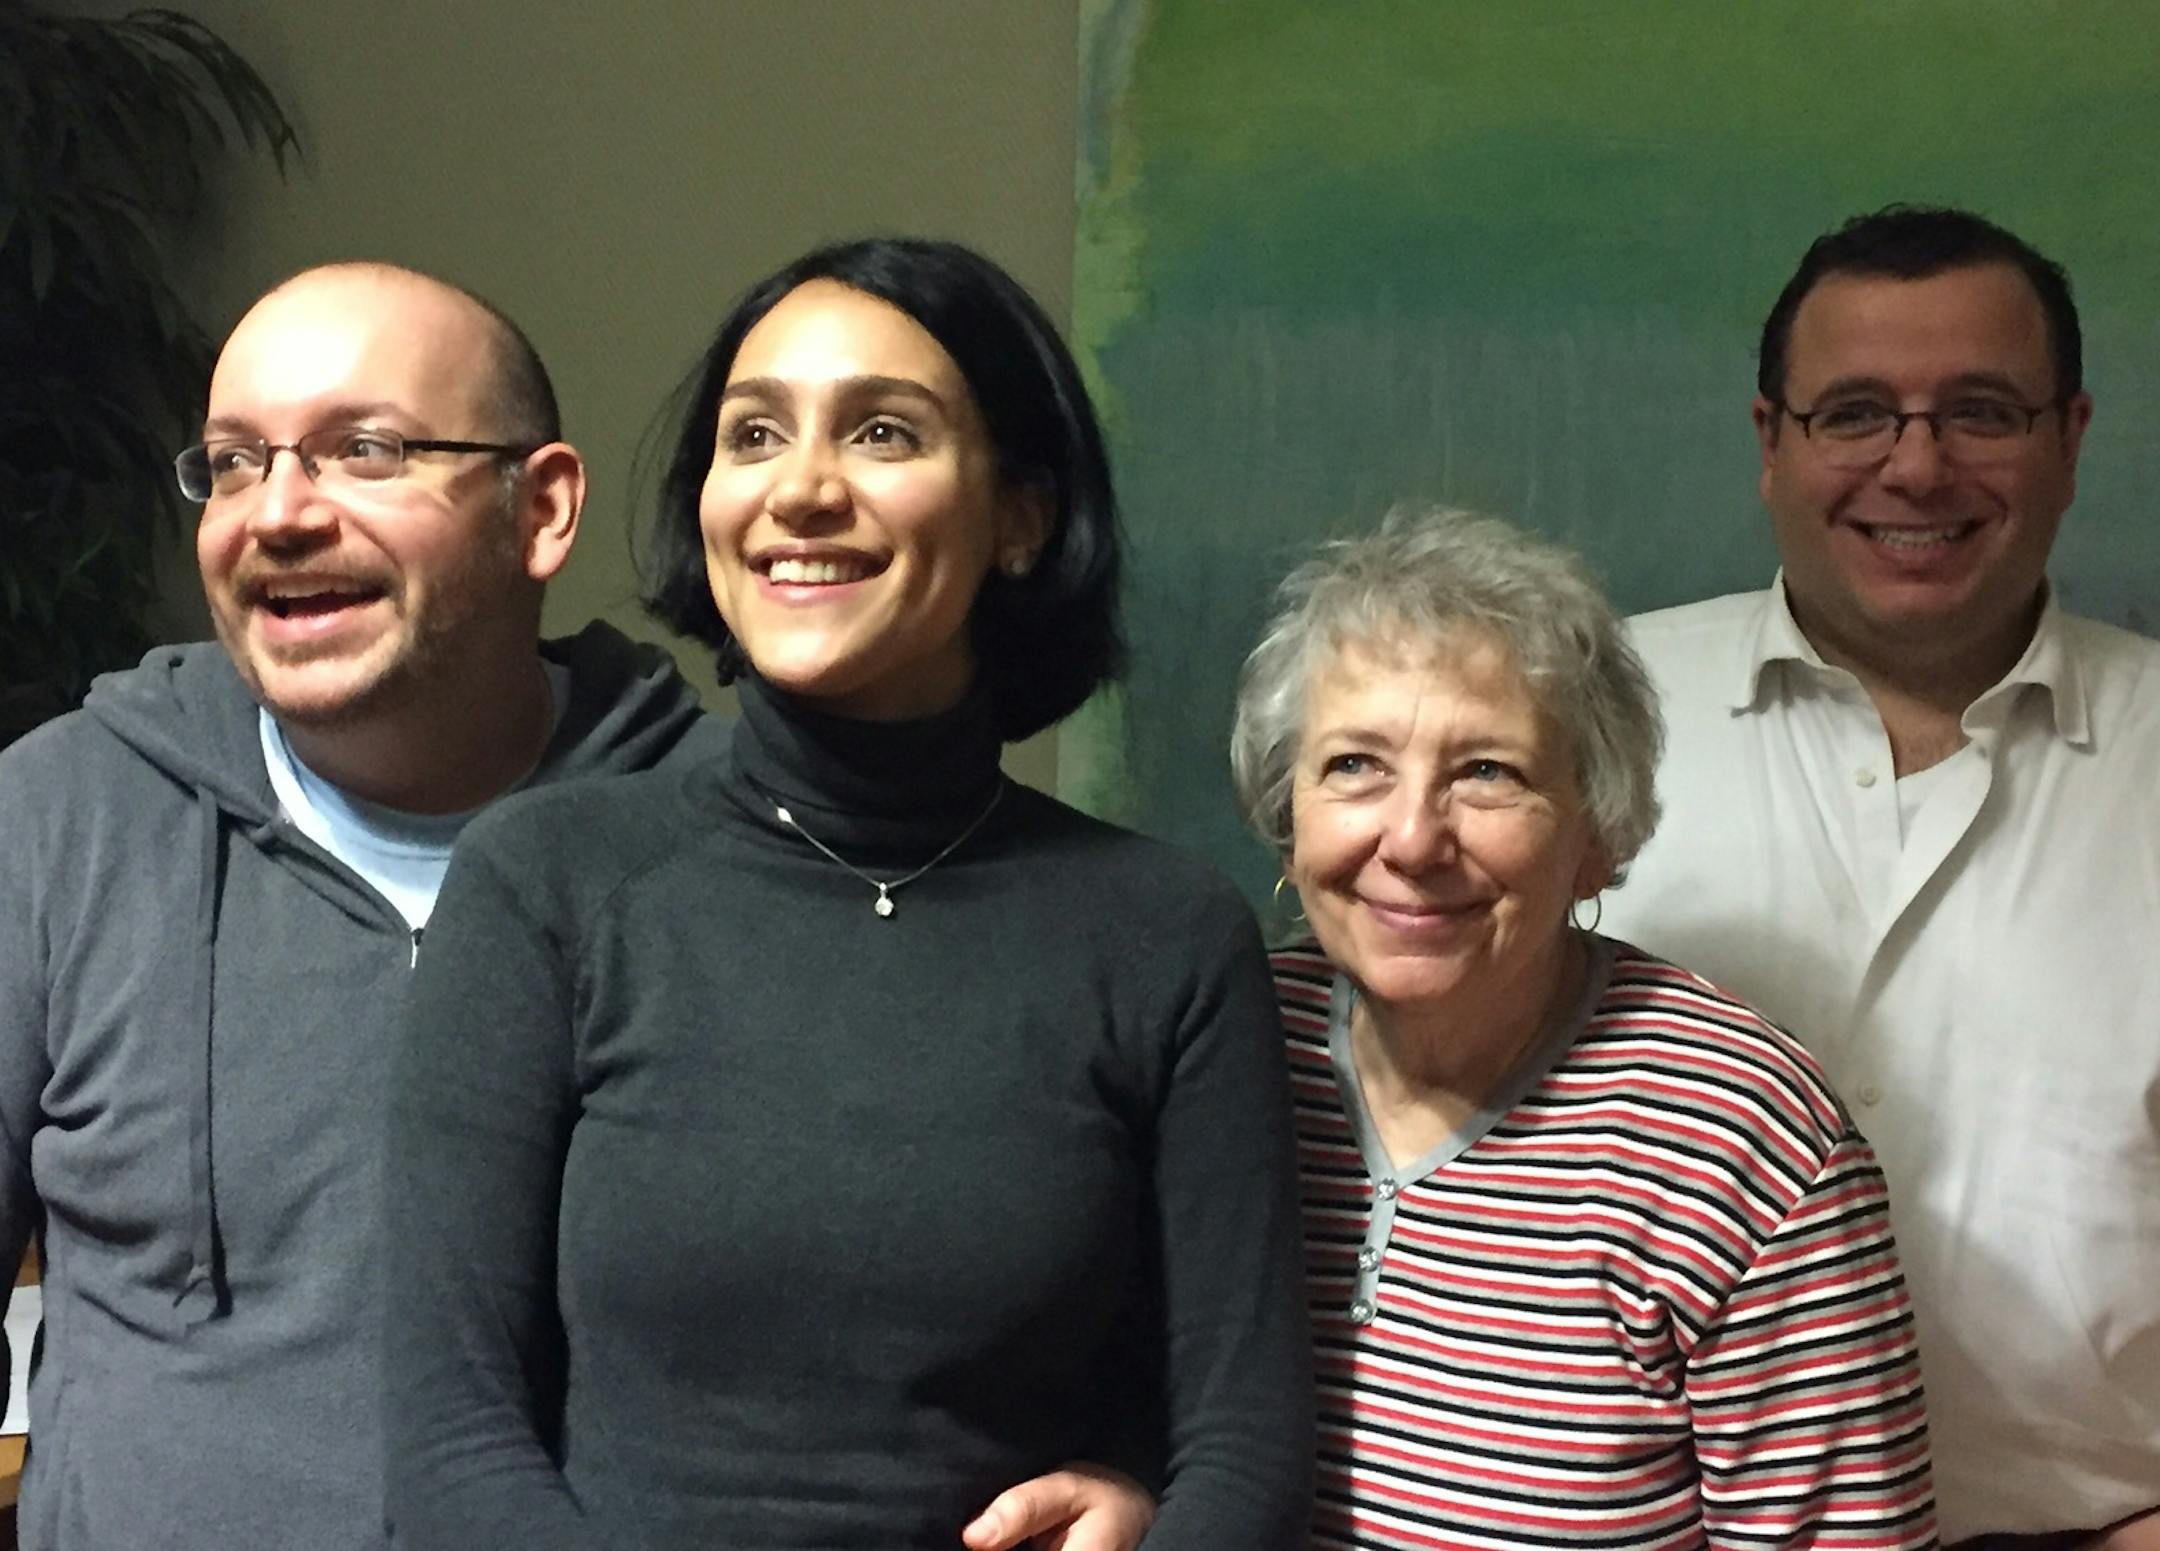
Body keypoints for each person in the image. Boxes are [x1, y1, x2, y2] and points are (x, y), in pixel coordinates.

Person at [382, 237, 1316, 1548]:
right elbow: (448, 1435)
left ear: (1021, 514)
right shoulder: (547, 882)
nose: (800, 490)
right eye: (753, 434)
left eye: (883, 431)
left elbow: (1244, 1444)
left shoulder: (1168, 931)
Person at [0, 263, 718, 1548]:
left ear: (540, 509)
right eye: (231, 462)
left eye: (364, 451)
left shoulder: (724, 838)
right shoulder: (60, 817)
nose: (276, 514)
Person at [1600, 206, 2160, 1549]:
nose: (1918, 466)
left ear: (2071, 438)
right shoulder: (1571, 722)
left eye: (1981, 410)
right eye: (1855, 413)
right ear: (1770, 443)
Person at [1228, 507, 1938, 1548]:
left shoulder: (1744, 1136)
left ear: (1597, 837)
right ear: (1288, 819)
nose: (1414, 837)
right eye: (1354, 766)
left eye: (1488, 772)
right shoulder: (1220, 1048)